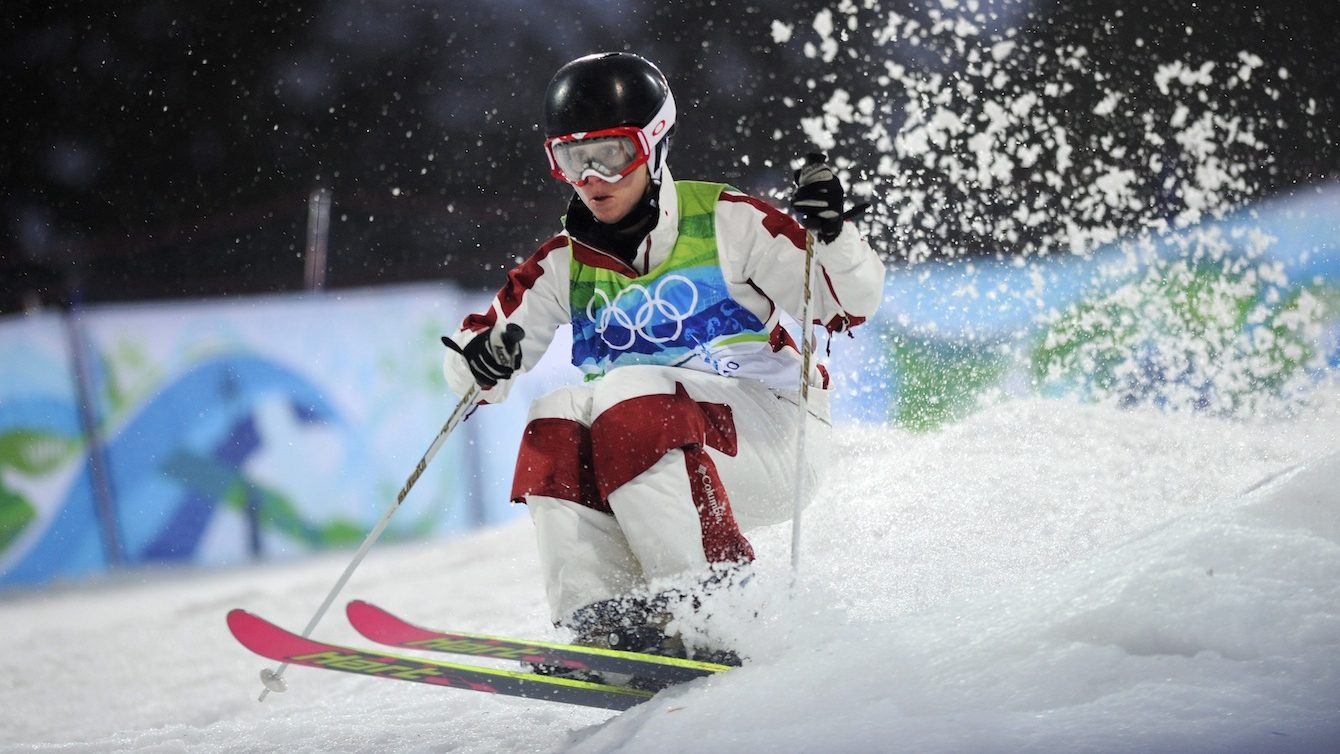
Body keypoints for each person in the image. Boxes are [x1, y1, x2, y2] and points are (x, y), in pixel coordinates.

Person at [441, 52, 885, 665]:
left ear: (654, 144)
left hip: (770, 438)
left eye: (613, 154)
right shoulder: (562, 263)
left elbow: (846, 306)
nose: (594, 177)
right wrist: (480, 365)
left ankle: (714, 605)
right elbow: (475, 360)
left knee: (628, 392)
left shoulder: (728, 220)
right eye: (574, 159)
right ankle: (605, 617)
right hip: (650, 463)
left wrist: (834, 239)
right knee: (558, 412)